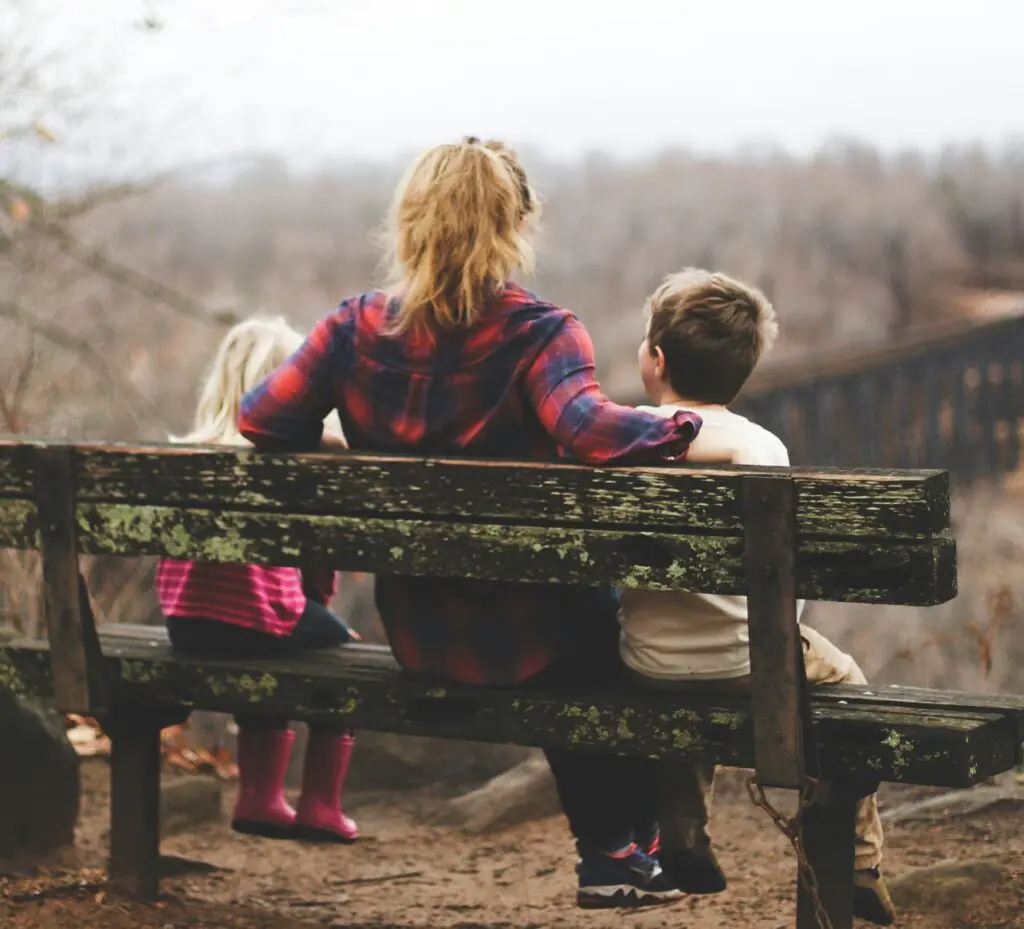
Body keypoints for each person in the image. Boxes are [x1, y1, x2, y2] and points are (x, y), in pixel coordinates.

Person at [237, 137, 714, 909]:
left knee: (580, 620)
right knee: (602, 624)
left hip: (421, 634)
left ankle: (625, 851)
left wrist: (332, 436)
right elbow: (589, 430)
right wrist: (684, 427)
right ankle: (619, 850)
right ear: (516, 223)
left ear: (410, 222)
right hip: (535, 638)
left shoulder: (351, 329)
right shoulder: (542, 333)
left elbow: (259, 418)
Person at [618, 268, 895, 926]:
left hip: (648, 662)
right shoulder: (761, 447)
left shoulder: (623, 438)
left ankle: (683, 834)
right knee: (847, 683)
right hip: (754, 663)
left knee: (683, 670)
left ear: (656, 360)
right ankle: (860, 858)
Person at [156, 315, 360, 845]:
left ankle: (260, 798)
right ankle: (319, 806)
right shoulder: (287, 460)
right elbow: (315, 566)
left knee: (272, 640)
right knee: (342, 654)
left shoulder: (187, 455)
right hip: (257, 619)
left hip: (186, 625)